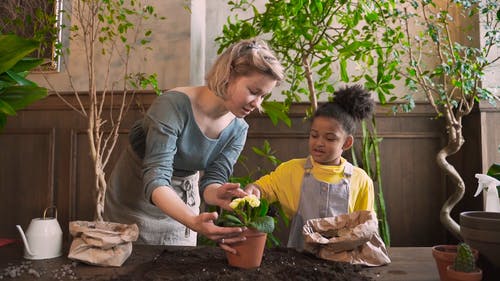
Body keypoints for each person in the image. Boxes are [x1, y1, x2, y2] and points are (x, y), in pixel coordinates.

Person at [104, 39, 284, 253]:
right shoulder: (172, 106)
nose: (258, 104)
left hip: (184, 203)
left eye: (263, 96)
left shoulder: (238, 129)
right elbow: (156, 177)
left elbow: (212, 181)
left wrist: (218, 193)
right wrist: (192, 219)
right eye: (254, 91)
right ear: (227, 75)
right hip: (134, 201)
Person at [244, 85, 375, 250]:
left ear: (347, 143)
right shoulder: (291, 170)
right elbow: (262, 189)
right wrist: (252, 191)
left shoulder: (361, 180)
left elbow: (365, 226)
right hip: (299, 259)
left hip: (343, 262)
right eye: (314, 135)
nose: (319, 143)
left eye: (330, 138)